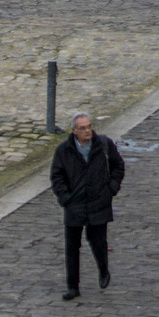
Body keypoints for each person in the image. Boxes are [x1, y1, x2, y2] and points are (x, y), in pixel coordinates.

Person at [49, 111, 124, 300]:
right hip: (75, 205)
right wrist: (65, 198)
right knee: (72, 248)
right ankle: (72, 286)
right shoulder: (64, 151)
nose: (88, 131)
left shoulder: (104, 145)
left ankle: (103, 270)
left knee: (98, 242)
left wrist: (111, 189)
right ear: (74, 131)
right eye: (83, 128)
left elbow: (118, 167)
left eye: (89, 126)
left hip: (99, 202)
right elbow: (57, 177)